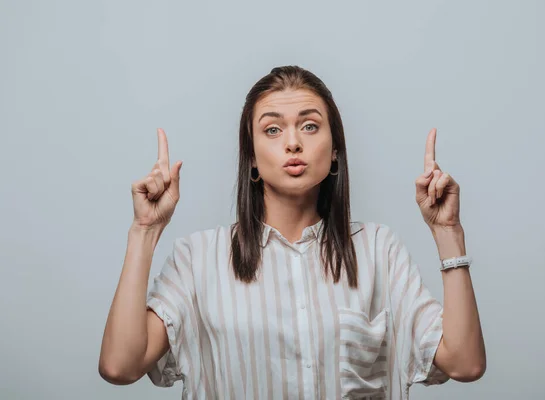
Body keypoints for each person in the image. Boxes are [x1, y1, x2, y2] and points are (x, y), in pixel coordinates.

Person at [98, 65, 486, 399]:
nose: (293, 142)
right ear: (251, 156)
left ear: (335, 150)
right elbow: (120, 366)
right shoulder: (198, 259)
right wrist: (144, 231)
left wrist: (447, 231)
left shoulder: (378, 250)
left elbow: (465, 363)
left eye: (310, 125)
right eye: (272, 130)